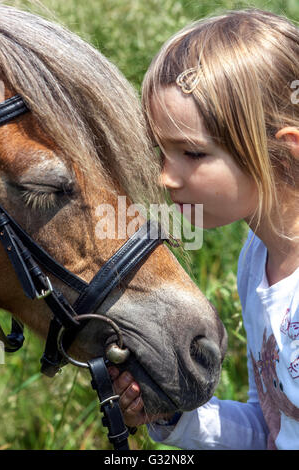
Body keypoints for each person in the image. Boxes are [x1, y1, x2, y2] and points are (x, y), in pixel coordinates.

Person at [108, 8, 299, 449]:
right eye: (161, 150)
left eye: (192, 153)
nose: (165, 178)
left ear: (285, 152)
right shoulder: (256, 258)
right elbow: (271, 427)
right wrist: (175, 417)